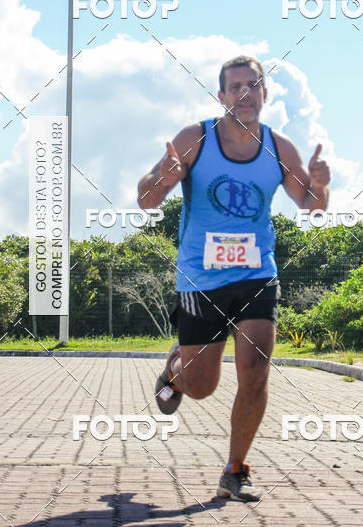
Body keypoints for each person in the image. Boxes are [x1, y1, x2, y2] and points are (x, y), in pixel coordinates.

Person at [137, 55, 330, 501]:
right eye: (236, 86)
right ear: (222, 95)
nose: (245, 93)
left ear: (265, 92)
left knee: (256, 372)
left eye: (253, 84)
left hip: (256, 275)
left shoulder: (280, 147)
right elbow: (147, 200)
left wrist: (321, 186)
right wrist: (162, 179)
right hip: (201, 280)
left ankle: (235, 469)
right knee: (202, 387)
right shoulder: (195, 139)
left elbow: (313, 207)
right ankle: (175, 371)